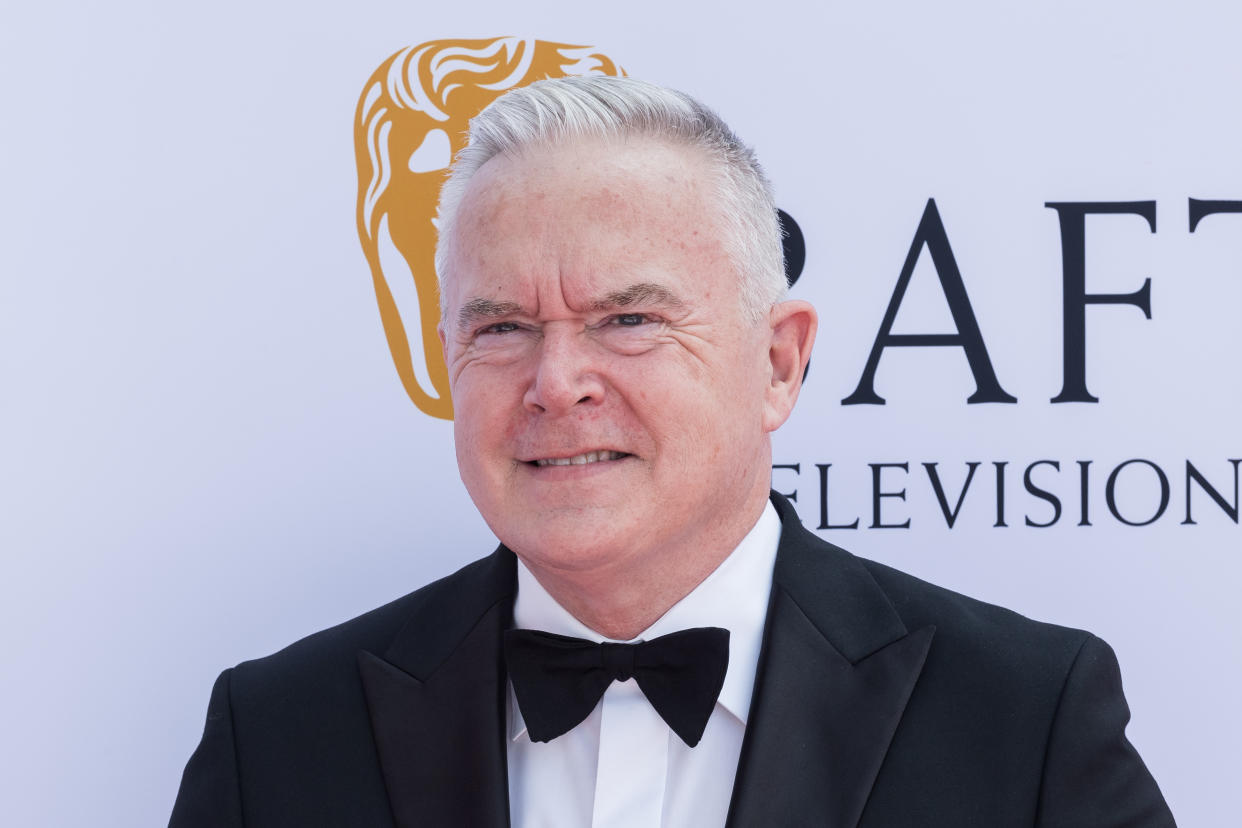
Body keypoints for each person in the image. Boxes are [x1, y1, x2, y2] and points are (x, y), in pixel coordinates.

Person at [170, 76, 1175, 827]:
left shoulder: (1025, 721)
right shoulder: (279, 738)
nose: (558, 381)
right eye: (503, 327)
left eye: (629, 318)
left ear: (778, 364)